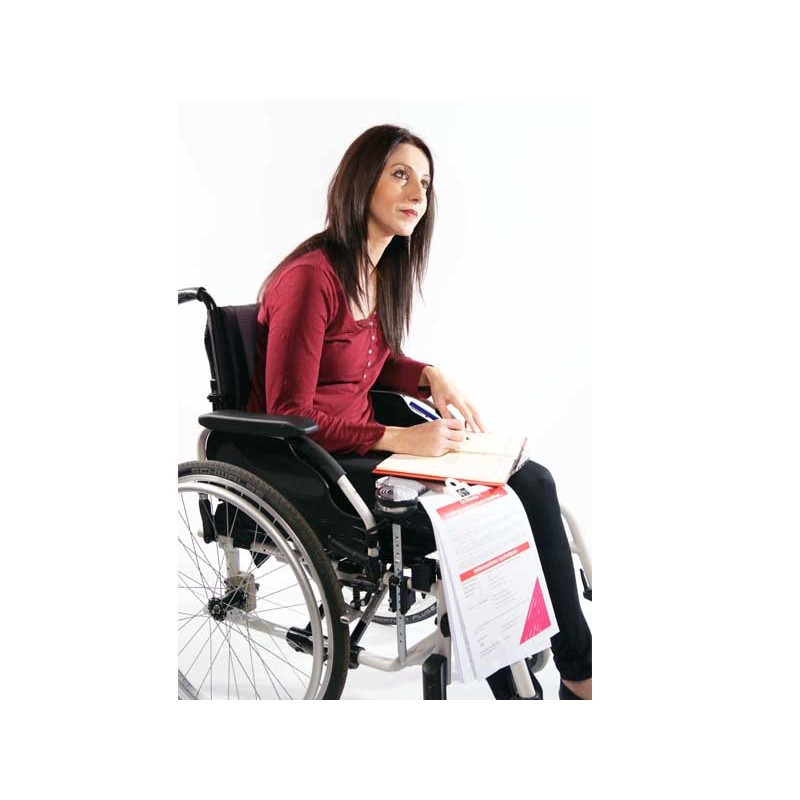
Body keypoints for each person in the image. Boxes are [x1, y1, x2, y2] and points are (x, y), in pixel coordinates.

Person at [247, 124, 592, 700]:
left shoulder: (376, 273)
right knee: (478, 513)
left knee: (534, 481)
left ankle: (579, 669)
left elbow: (371, 361)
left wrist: (428, 374)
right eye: (400, 175)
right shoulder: (311, 279)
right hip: (317, 465)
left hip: (363, 449)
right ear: (362, 182)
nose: (417, 194)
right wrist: (400, 439)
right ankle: (521, 683)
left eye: (425, 183)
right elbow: (291, 414)